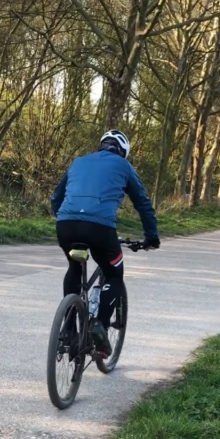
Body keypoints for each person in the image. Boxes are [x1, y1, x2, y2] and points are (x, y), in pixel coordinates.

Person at [50, 129, 160, 358]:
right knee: (114, 274)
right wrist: (152, 237)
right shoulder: (123, 166)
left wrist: (64, 217)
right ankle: (99, 329)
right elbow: (143, 203)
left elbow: (55, 198)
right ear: (123, 151)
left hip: (66, 224)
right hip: (99, 229)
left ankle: (68, 328)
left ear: (101, 145)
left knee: (74, 266)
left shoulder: (78, 161)